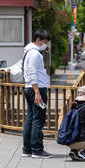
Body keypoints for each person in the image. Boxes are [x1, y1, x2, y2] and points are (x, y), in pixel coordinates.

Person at [22, 29, 53, 159]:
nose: (45, 45)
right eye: (44, 42)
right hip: (37, 88)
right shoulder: (35, 54)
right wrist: (37, 92)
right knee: (38, 120)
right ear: (38, 40)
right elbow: (33, 73)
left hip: (29, 87)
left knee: (30, 118)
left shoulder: (28, 52)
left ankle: (27, 149)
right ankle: (37, 149)